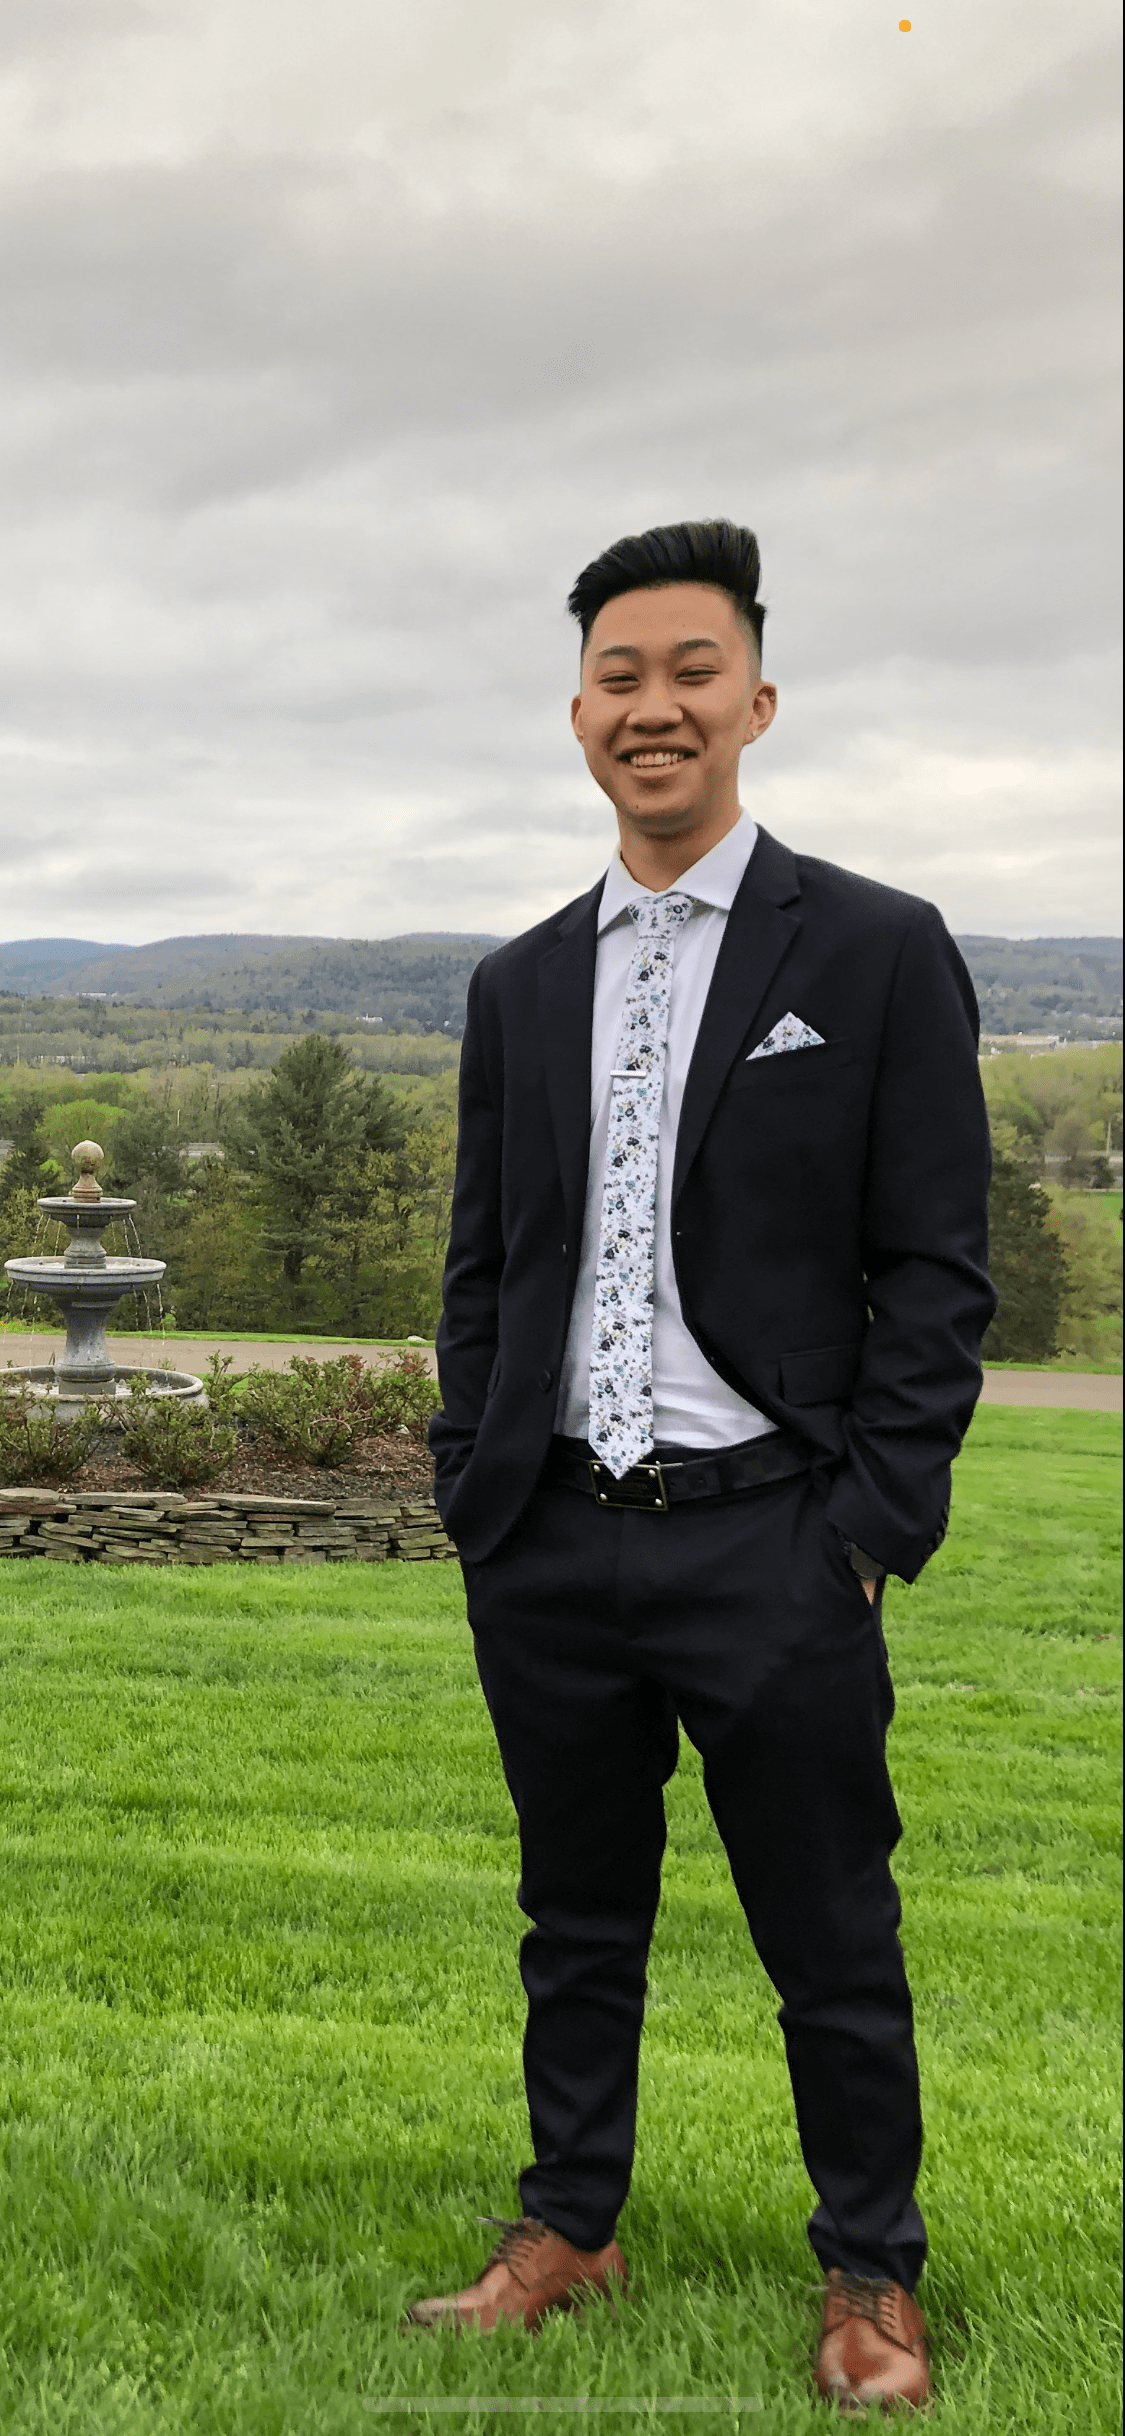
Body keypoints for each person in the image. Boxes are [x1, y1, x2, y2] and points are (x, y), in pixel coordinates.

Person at [409, 520, 995, 2413]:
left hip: (778, 1546)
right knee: (574, 1916)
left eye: (688, 671)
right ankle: (568, 2222)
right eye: (616, 678)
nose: (650, 708)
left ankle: (871, 2274)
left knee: (832, 1928)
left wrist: (871, 1527)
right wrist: (473, 1492)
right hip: (554, 1545)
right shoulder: (516, 985)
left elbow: (934, 1269)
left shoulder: (882, 951)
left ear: (754, 695)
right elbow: (489, 1262)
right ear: (578, 709)